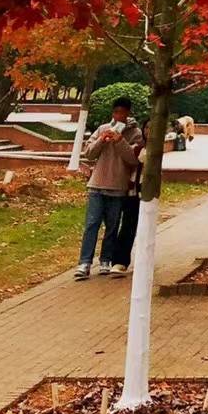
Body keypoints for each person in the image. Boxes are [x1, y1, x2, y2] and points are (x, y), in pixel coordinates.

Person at [75, 96, 144, 279]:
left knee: (112, 226)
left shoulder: (135, 133)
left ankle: (106, 259)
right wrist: (102, 140)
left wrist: (120, 140)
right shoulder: (102, 129)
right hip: (97, 185)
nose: (119, 116)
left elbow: (133, 159)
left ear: (128, 113)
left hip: (118, 187)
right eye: (116, 112)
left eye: (122, 113)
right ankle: (84, 263)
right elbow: (89, 154)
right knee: (91, 224)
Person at [110, 124, 147, 275]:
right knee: (127, 225)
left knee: (145, 228)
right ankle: (120, 261)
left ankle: (144, 260)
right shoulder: (138, 148)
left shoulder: (157, 150)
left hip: (148, 193)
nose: (149, 131)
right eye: (147, 128)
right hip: (133, 192)